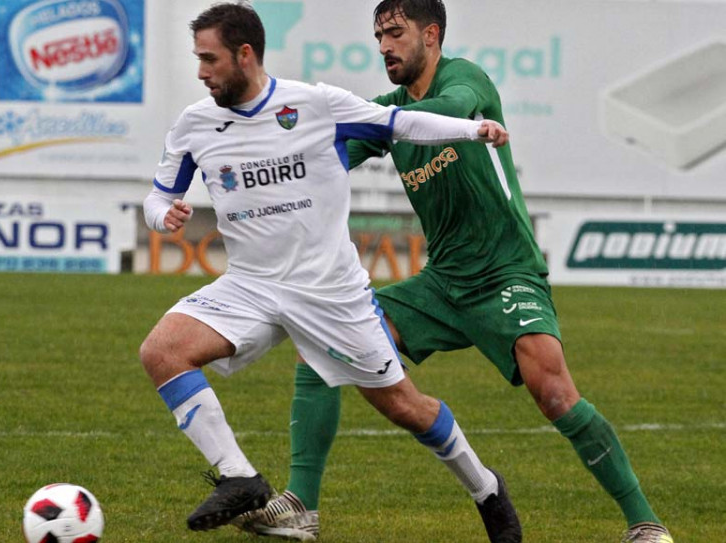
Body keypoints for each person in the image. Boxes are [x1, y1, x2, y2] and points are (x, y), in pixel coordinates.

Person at [234, 1, 674, 542]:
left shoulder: (465, 79)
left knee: (554, 392)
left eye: (395, 33)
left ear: (432, 34)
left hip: (506, 272)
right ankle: (301, 505)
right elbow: (329, 150)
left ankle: (645, 524)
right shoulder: (393, 109)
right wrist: (268, 163)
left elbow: (457, 106)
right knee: (322, 340)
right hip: (442, 283)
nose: (384, 47)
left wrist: (401, 124)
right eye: (378, 36)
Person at [139, 1, 521, 538]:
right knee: (161, 351)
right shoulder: (195, 124)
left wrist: (472, 129)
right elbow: (157, 198)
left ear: (245, 55)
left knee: (405, 407)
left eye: (210, 59)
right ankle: (240, 478)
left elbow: (401, 121)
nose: (201, 71)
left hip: (329, 293)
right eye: (198, 59)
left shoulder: (315, 105)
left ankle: (486, 487)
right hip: (250, 286)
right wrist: (166, 216)